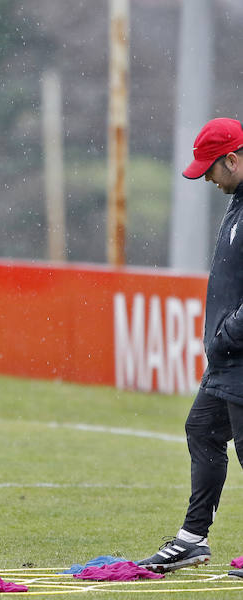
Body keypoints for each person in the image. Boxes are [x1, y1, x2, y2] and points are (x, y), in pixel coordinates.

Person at [137, 118, 243, 575]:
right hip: (227, 358)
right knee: (201, 430)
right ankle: (192, 540)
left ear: (233, 160)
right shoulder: (237, 201)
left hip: (238, 352)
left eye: (211, 171)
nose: (208, 180)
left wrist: (230, 333)